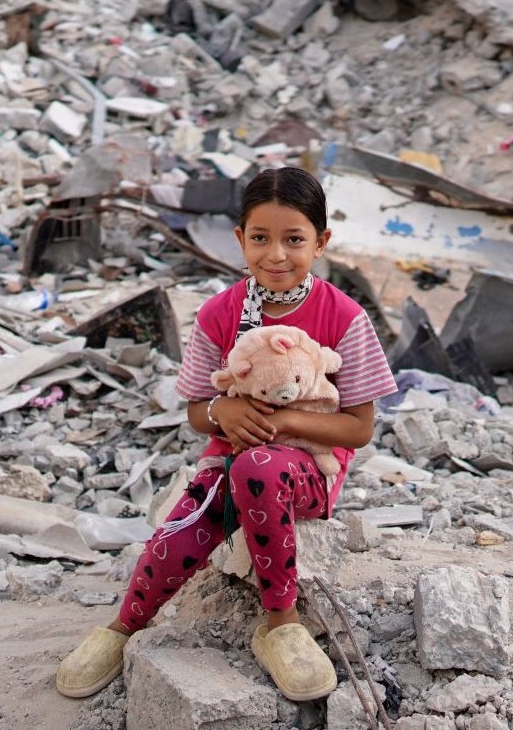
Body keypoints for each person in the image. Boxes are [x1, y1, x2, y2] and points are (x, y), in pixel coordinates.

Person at [54, 165, 396, 701]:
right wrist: (222, 412)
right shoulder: (221, 313)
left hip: (305, 470)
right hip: (231, 459)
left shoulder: (344, 317)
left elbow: (358, 428)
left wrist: (281, 423)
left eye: (294, 240)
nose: (276, 255)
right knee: (186, 523)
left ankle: (280, 625)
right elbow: (195, 409)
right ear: (240, 239)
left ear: (321, 243)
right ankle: (123, 626)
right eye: (260, 238)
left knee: (260, 467)